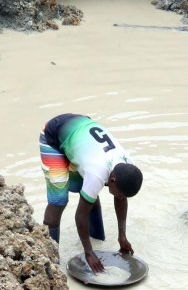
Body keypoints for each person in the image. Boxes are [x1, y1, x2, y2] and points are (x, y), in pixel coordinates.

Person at [39, 113, 143, 272]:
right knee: (59, 200)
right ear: (112, 180)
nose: (121, 198)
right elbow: (80, 215)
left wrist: (122, 236)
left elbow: (121, 198)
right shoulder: (97, 173)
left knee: (90, 196)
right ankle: (49, 259)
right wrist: (88, 253)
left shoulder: (129, 166)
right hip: (53, 136)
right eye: (120, 194)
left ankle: (97, 239)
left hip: (81, 132)